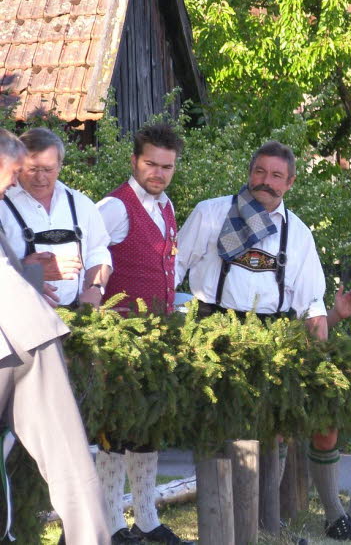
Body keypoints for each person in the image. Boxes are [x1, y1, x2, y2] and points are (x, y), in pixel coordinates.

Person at [173, 140, 351, 543]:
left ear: (290, 182)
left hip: (273, 334)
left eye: (276, 175)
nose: (266, 182)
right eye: (260, 171)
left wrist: (319, 368)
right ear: (249, 171)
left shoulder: (298, 233)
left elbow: (311, 306)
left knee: (272, 428)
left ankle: (262, 522)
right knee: (219, 426)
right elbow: (171, 267)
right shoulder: (211, 213)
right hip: (214, 328)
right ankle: (220, 522)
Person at [0, 129, 110, 544]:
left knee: (70, 461)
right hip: (30, 329)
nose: (16, 184)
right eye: (17, 173)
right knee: (69, 460)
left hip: (32, 335)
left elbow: (100, 255)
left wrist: (92, 291)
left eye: (48, 169)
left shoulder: (79, 205)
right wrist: (33, 273)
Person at [95, 123, 190, 544]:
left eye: (166, 166)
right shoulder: (115, 207)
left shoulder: (167, 207)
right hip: (119, 341)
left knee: (148, 429)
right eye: (151, 163)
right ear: (134, 161)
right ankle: (111, 522)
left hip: (157, 342)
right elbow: (89, 262)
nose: (158, 172)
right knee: (114, 431)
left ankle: (147, 519)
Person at [0, 128, 112, 308]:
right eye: (32, 169)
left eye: (48, 169)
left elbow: (98, 251)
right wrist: (27, 269)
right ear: (19, 165)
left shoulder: (81, 204)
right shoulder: (3, 205)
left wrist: (96, 288)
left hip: (77, 315)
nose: (40, 177)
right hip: (20, 317)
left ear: (60, 165)